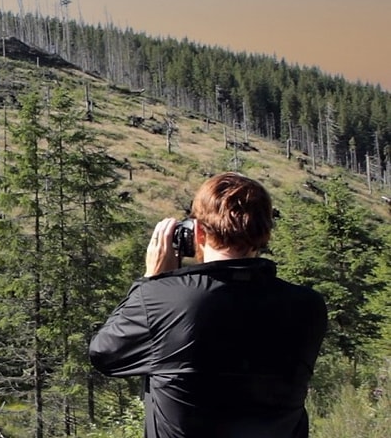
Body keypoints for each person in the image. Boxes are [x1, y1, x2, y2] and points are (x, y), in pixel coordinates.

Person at [89, 172, 327, 438]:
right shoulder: (308, 306)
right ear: (265, 232)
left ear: (198, 232)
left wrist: (151, 280)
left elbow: (104, 354)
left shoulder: (163, 300)